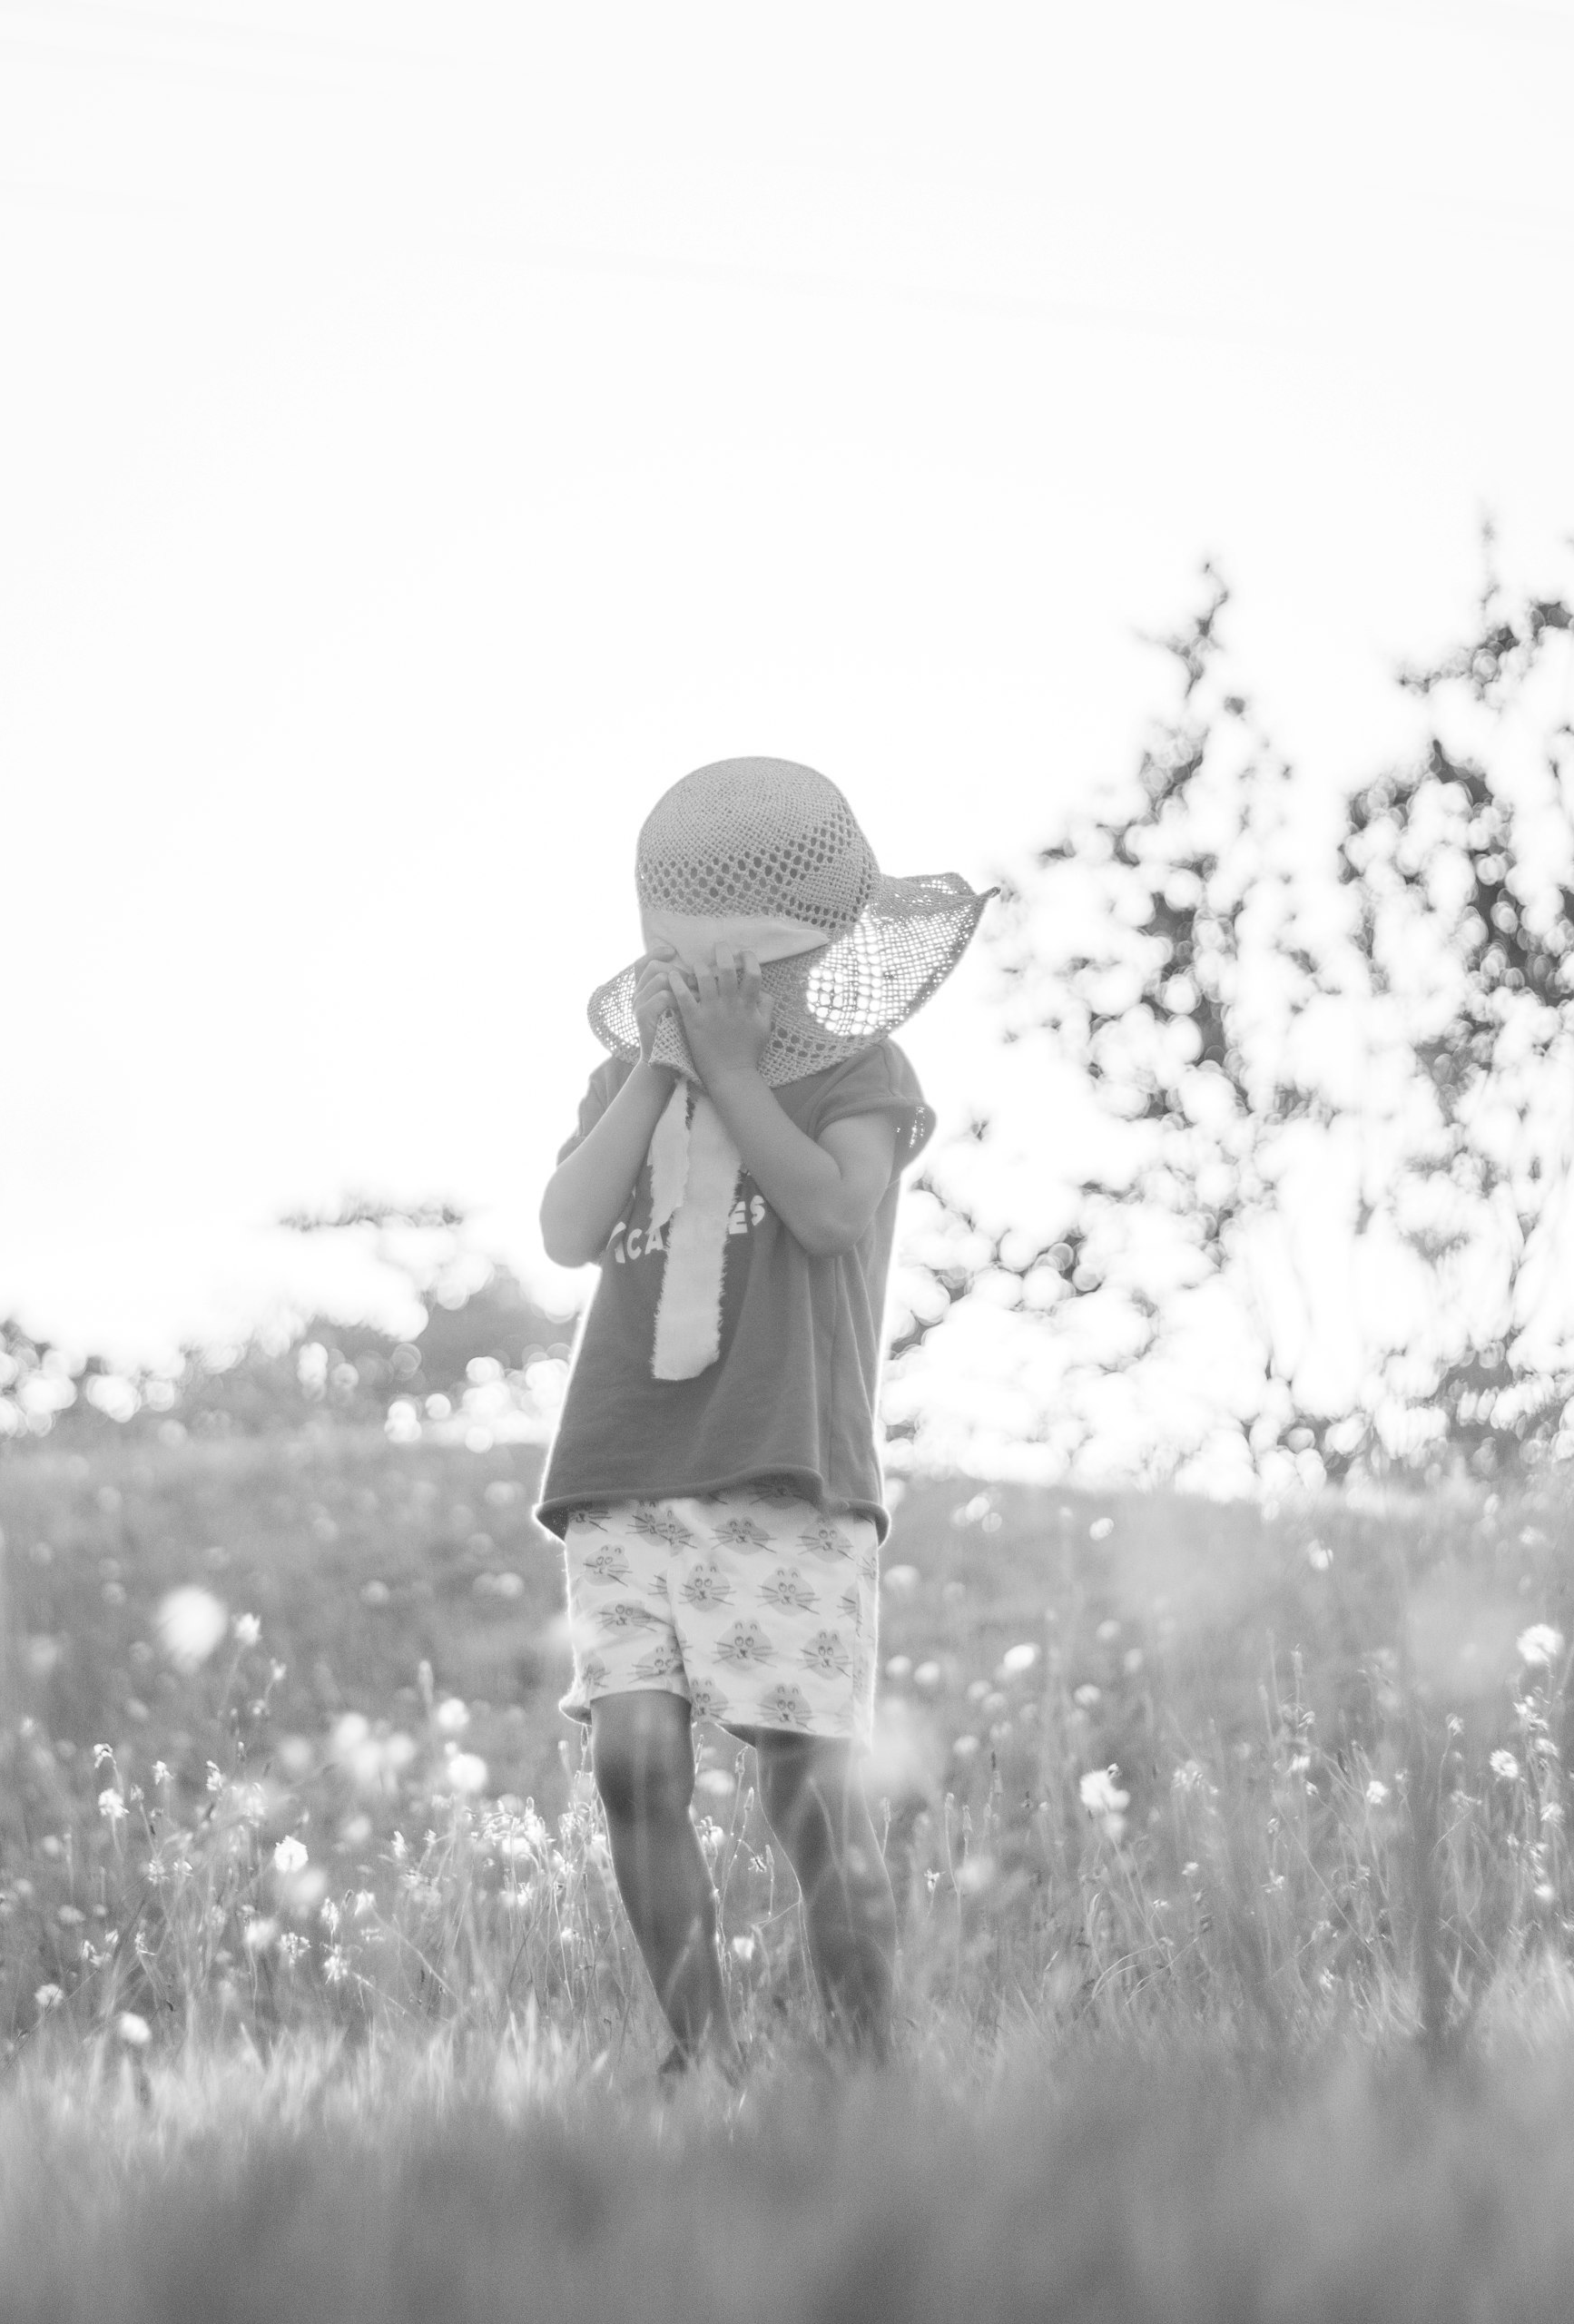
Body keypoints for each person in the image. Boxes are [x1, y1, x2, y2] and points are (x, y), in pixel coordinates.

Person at [534, 755, 984, 2076]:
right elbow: (569, 1229)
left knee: (805, 1780)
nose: (745, 997)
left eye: (761, 972)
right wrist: (663, 1075)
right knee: (633, 1763)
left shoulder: (864, 1074)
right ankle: (700, 2059)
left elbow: (834, 1212)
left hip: (781, 1460)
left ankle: (871, 2056)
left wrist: (737, 1076)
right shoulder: (627, 1075)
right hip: (622, 1465)